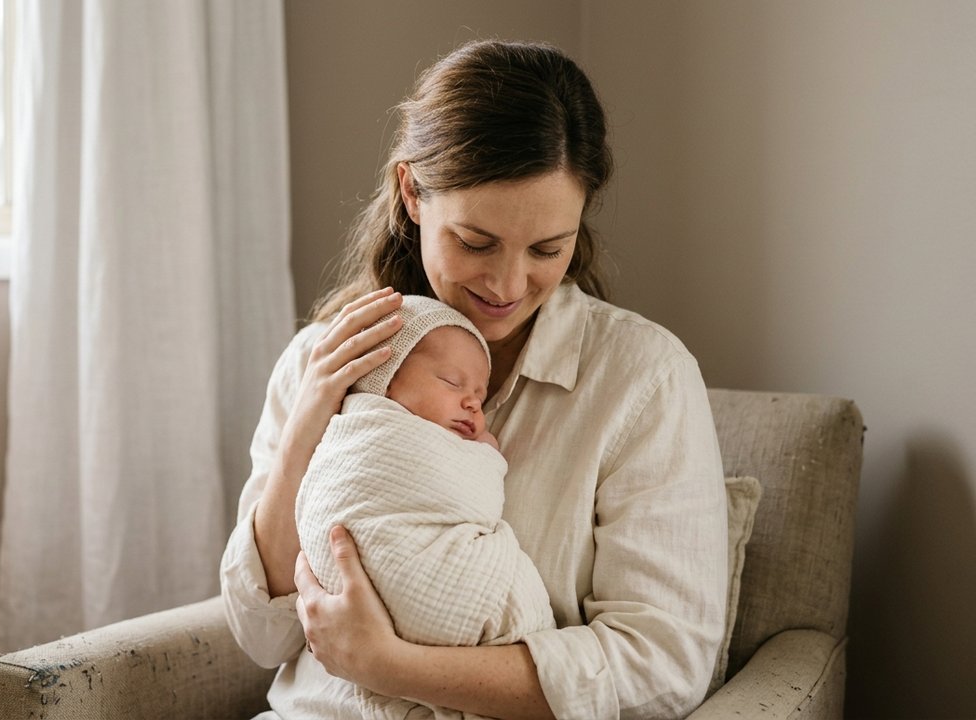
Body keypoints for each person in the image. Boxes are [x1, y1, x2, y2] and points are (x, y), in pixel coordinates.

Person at [220, 38, 728, 720]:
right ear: (412, 194)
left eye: (549, 249)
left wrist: (392, 667)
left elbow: (664, 666)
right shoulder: (326, 357)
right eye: (476, 243)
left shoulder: (643, 380)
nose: (508, 284)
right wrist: (307, 425)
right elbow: (262, 634)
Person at [296, 295, 554, 720]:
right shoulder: (361, 428)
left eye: (480, 395)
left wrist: (384, 662)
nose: (473, 403)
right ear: (386, 379)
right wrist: (487, 459)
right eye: (453, 383)